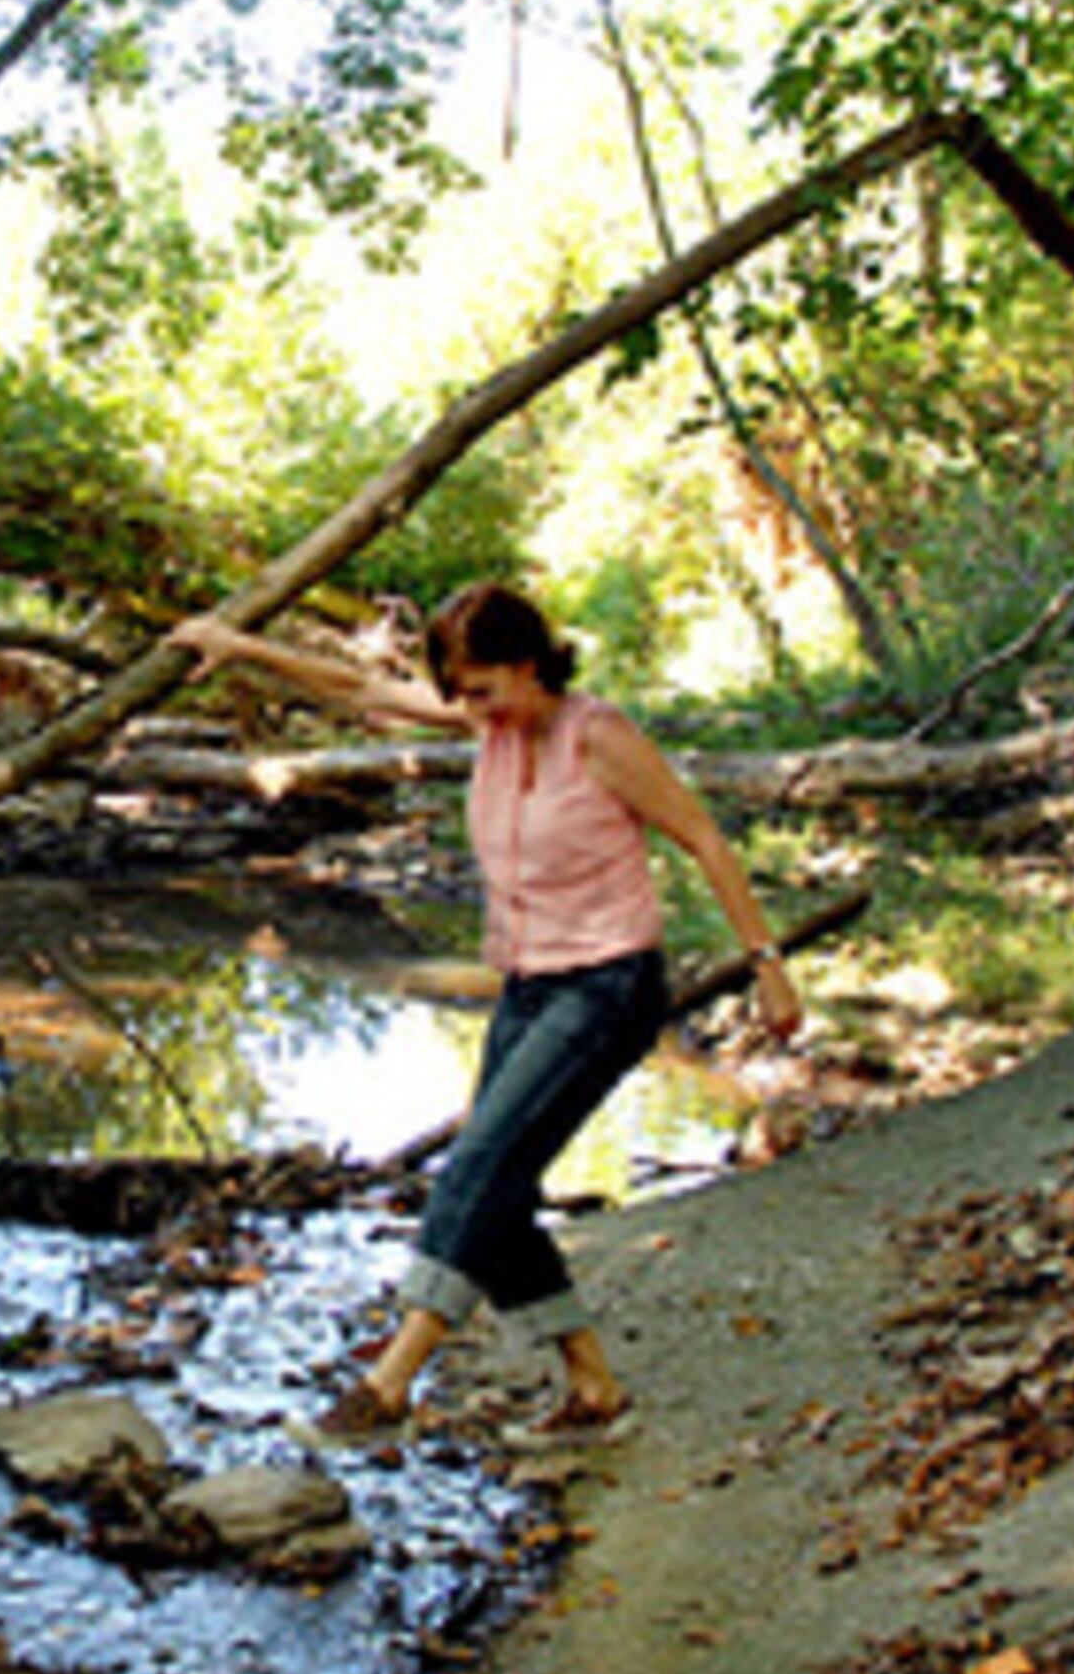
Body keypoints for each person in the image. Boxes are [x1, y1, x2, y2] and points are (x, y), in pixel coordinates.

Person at [173, 584, 806, 1444]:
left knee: (475, 1165)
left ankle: (389, 1387)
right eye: (460, 693)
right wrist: (238, 645)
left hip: (608, 986)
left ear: (529, 664)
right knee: (499, 1191)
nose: (469, 709)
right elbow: (360, 692)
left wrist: (768, 967)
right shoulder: (489, 727)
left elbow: (702, 837)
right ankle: (594, 1392)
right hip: (530, 985)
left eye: (481, 688)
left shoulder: (600, 735)